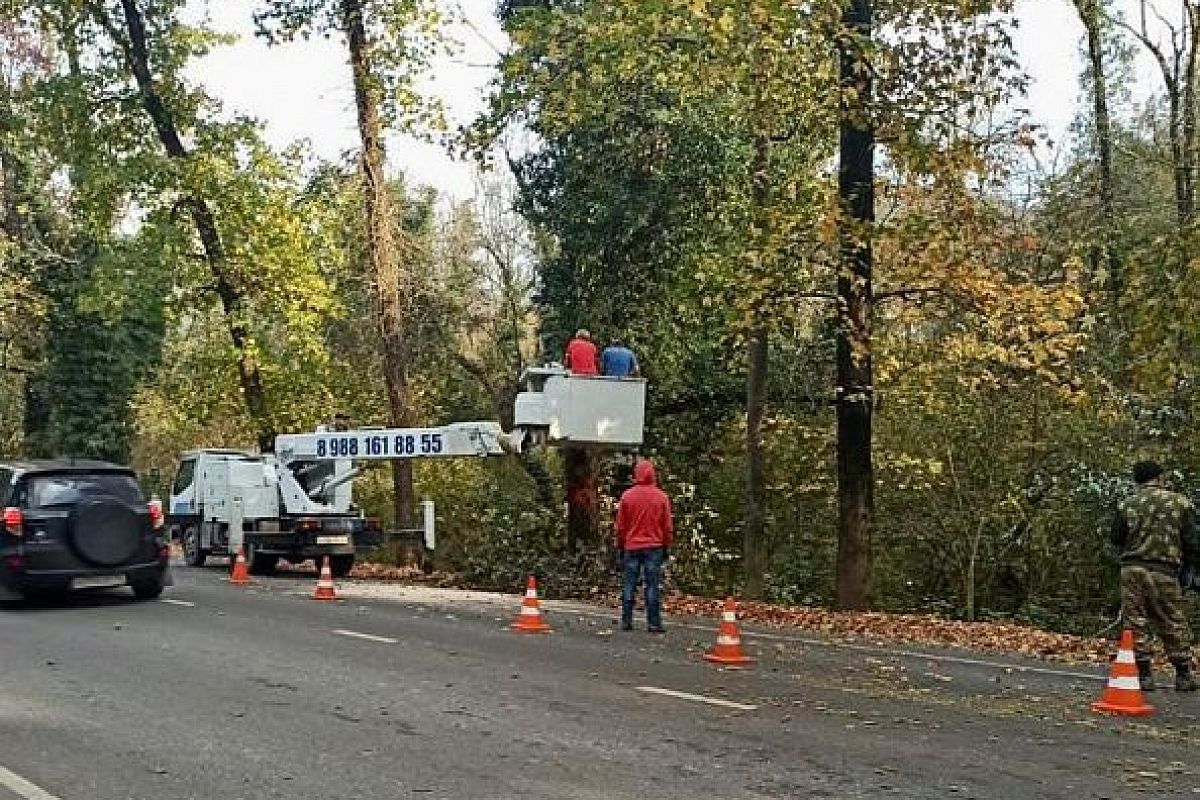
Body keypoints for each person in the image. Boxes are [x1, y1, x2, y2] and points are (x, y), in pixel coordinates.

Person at [1110, 460, 1200, 692]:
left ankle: (1144, 675)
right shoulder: (1180, 503)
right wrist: (1189, 569)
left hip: (1132, 569)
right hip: (1165, 571)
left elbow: (1116, 538)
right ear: (1160, 477)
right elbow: (1191, 542)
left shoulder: (1127, 504)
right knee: (1172, 620)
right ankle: (1182, 674)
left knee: (1135, 621)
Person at [616, 459, 673, 633]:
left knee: (629, 583)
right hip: (654, 546)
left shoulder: (627, 496)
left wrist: (621, 545)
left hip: (632, 546)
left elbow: (621, 526)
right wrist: (666, 546)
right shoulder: (661, 497)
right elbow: (667, 526)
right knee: (652, 585)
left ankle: (626, 620)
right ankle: (653, 623)